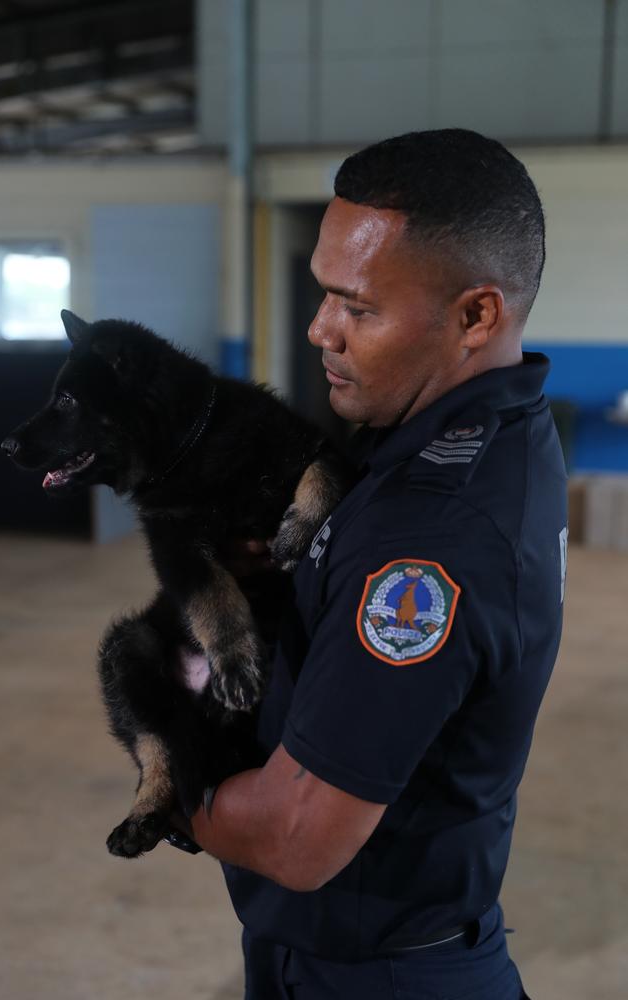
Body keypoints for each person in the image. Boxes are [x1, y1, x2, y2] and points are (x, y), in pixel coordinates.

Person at [172, 129, 567, 999]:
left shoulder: (428, 540)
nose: (320, 331)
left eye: (357, 307)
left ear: (476, 316)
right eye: (324, 296)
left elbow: (296, 837)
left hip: (378, 978)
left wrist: (169, 779)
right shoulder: (483, 434)